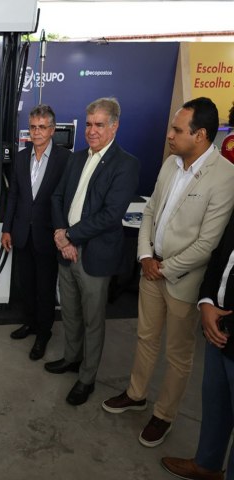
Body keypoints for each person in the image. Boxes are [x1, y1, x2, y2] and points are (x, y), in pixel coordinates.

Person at [103, 97, 234, 448]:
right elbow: (149, 212)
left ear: (200, 135)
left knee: (178, 353)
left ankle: (164, 414)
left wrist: (164, 268)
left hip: (182, 281)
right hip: (151, 269)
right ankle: (136, 394)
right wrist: (146, 255)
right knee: (145, 338)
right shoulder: (170, 163)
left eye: (177, 130)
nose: (169, 135)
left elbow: (207, 243)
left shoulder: (225, 176)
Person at [48, 97, 139, 406]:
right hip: (66, 250)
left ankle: (87, 378)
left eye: (99, 124)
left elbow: (110, 215)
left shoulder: (125, 164)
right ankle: (71, 358)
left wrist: (70, 236)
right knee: (70, 312)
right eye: (88, 124)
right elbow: (57, 197)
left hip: (94, 256)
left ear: (114, 127)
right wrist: (62, 236)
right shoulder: (75, 159)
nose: (91, 130)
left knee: (93, 320)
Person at [160, 210, 234, 480]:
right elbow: (220, 255)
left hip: (225, 324)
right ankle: (206, 465)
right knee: (216, 404)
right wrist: (207, 302)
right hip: (217, 326)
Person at [2, 104, 70, 360]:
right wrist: (7, 229)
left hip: (48, 236)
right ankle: (30, 323)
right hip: (22, 234)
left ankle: (44, 333)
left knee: (45, 288)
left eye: (42, 127)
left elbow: (66, 200)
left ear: (52, 130)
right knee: (26, 285)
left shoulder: (65, 160)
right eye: (33, 127)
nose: (37, 132)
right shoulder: (21, 157)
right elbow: (13, 196)